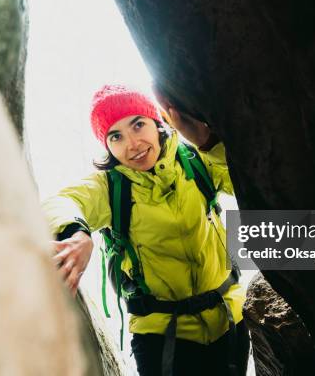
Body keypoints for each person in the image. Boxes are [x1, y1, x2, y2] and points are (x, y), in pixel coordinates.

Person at [43, 84, 250, 376]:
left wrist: (209, 143)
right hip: (161, 337)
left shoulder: (197, 162)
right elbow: (61, 202)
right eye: (116, 136)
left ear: (157, 122)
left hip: (229, 320)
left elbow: (249, 181)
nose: (133, 144)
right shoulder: (111, 188)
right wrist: (75, 233)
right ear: (108, 146)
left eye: (138, 125)